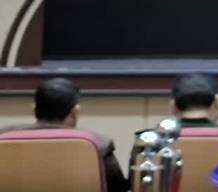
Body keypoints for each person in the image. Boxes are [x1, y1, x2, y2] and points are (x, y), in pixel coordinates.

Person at [0, 77, 129, 191]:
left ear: (34, 110)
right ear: (74, 112)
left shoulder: (4, 138)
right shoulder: (99, 145)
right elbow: (117, 188)